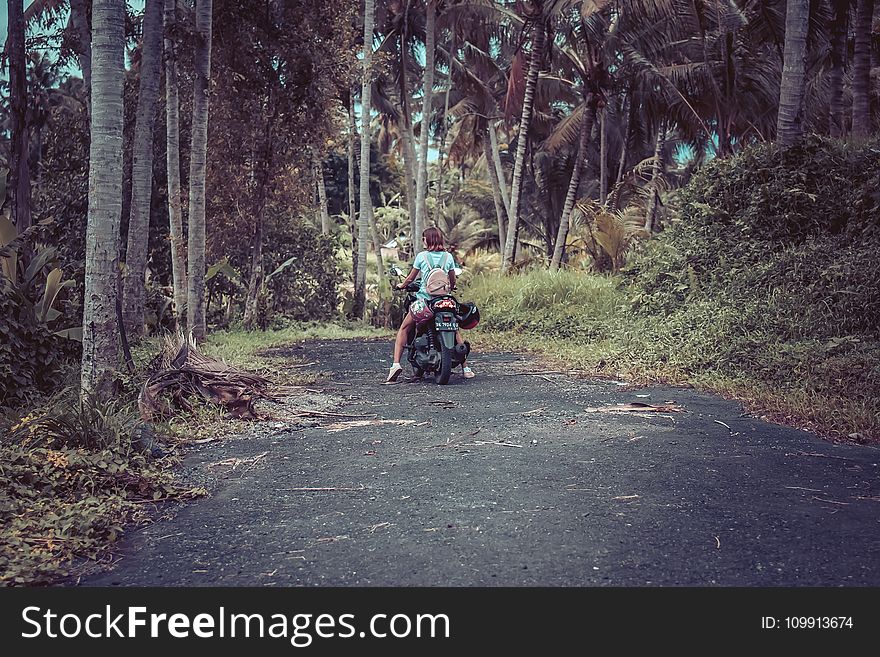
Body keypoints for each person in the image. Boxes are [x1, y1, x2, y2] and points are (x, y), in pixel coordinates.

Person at [386, 226, 474, 383]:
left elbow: (410, 279)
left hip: (424, 302)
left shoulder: (422, 257)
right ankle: (466, 368)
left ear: (428, 239)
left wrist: (401, 285)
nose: (423, 241)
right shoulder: (448, 257)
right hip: (445, 301)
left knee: (404, 328)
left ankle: (395, 365)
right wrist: (451, 287)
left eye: (424, 238)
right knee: (454, 330)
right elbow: (452, 279)